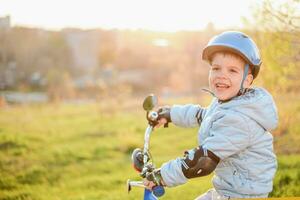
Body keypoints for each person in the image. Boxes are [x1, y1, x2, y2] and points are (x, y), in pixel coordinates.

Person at [143, 31, 278, 199]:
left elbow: (203, 161)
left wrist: (161, 176)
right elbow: (201, 115)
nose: (222, 75)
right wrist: (171, 114)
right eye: (216, 68)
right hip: (226, 191)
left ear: (247, 80)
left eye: (232, 70)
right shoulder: (228, 103)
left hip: (243, 196)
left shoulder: (241, 120)